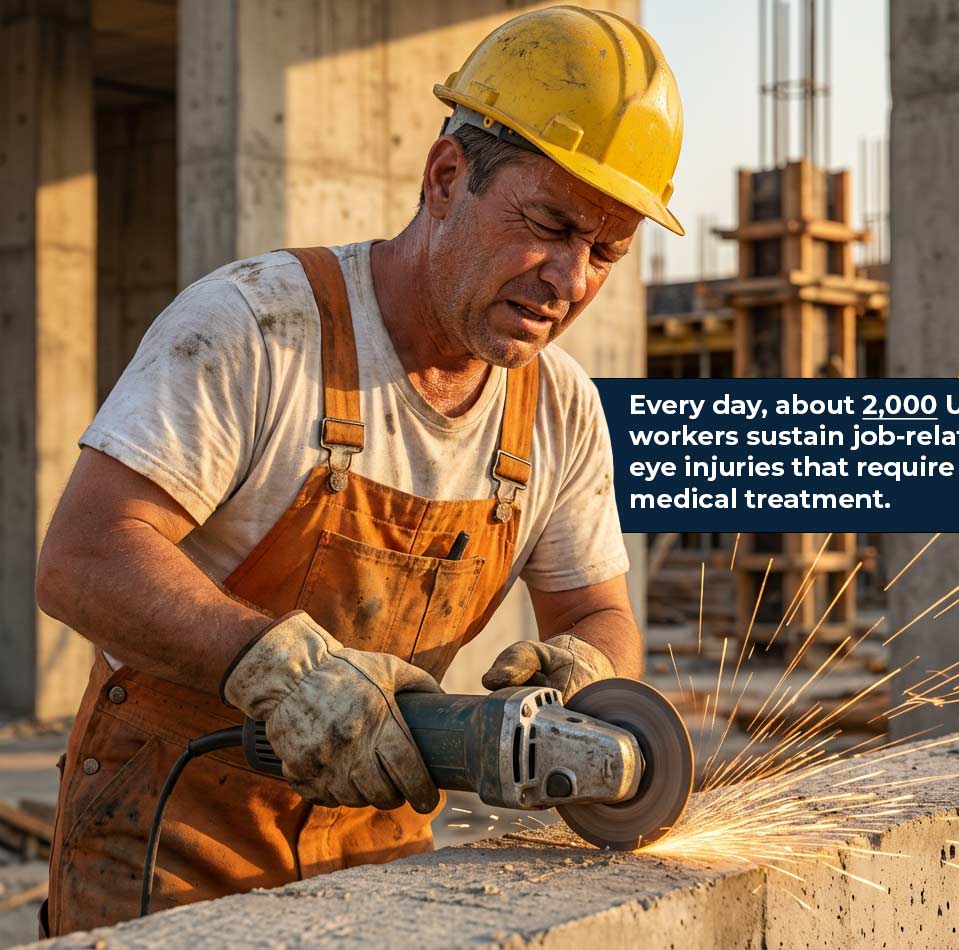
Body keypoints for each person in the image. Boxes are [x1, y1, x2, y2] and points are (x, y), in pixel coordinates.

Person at [35, 5, 684, 936]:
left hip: (374, 860)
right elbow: (86, 557)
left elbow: (594, 611)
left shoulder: (561, 410)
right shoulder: (257, 328)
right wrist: (274, 670)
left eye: (608, 252)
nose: (571, 280)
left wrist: (590, 676)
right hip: (168, 846)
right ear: (447, 177)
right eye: (550, 224)